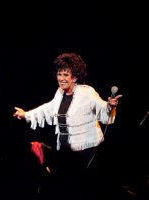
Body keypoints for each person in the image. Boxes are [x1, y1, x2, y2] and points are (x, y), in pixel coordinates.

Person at [13, 52, 122, 200]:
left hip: (87, 152)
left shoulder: (87, 92)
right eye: (59, 74)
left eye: (65, 75)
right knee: (68, 189)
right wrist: (26, 114)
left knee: (87, 189)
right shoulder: (60, 93)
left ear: (75, 77)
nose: (61, 78)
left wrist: (110, 106)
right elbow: (48, 108)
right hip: (67, 152)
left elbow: (103, 109)